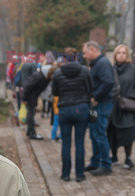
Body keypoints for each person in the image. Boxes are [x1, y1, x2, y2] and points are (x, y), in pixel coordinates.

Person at [52, 48, 92, 182]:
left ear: (63, 58)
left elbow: (55, 92)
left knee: (66, 144)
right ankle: (80, 174)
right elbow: (89, 88)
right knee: (80, 143)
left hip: (65, 109)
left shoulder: (58, 73)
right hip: (81, 108)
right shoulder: (85, 71)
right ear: (76, 57)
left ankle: (66, 174)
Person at [82, 41, 115, 176]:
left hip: (102, 103)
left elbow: (108, 82)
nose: (84, 56)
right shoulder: (97, 63)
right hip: (98, 104)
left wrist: (96, 97)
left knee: (99, 134)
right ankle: (96, 162)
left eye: (85, 52)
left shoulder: (102, 63)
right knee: (94, 134)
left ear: (92, 49)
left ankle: (106, 164)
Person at [109, 44, 135, 169]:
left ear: (127, 55)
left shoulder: (132, 69)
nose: (121, 55)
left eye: (124, 53)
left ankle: (128, 157)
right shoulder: (111, 69)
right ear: (115, 55)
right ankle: (113, 156)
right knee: (112, 131)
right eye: (119, 53)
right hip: (114, 106)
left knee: (128, 132)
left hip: (128, 106)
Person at [22, 65, 57, 139]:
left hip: (33, 96)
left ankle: (30, 132)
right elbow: (28, 86)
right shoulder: (39, 77)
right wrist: (24, 98)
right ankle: (32, 134)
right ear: (50, 73)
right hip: (30, 96)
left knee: (31, 114)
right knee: (31, 115)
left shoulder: (45, 78)